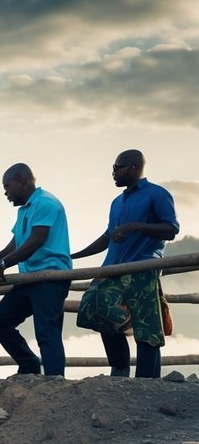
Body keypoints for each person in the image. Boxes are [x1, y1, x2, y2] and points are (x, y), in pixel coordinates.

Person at [71, 150, 179, 379]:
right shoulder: (116, 202)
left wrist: (135, 227)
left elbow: (171, 229)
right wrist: (74, 255)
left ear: (133, 167)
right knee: (94, 307)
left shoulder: (157, 194)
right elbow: (108, 236)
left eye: (117, 167)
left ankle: (147, 380)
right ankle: (120, 367)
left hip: (143, 265)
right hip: (113, 267)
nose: (113, 172)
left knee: (146, 323)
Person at [0, 164, 72, 376]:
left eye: (7, 186)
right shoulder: (25, 209)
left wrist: (3, 264)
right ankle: (29, 365)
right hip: (29, 279)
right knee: (0, 321)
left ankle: (55, 382)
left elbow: (37, 240)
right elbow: (14, 246)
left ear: (22, 180)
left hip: (50, 277)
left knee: (47, 332)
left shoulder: (46, 203)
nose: (6, 193)